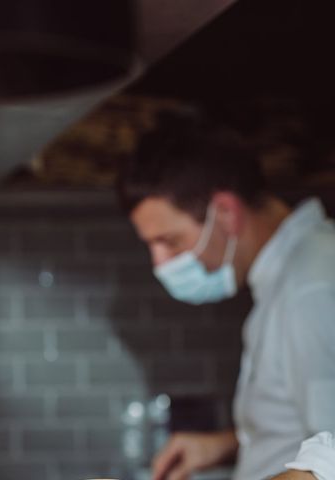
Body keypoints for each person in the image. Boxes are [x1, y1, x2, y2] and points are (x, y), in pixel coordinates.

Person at [117, 114, 335, 480]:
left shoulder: (312, 289)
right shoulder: (289, 278)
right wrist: (226, 444)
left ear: (225, 214)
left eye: (170, 241)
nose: (160, 264)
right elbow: (317, 430)